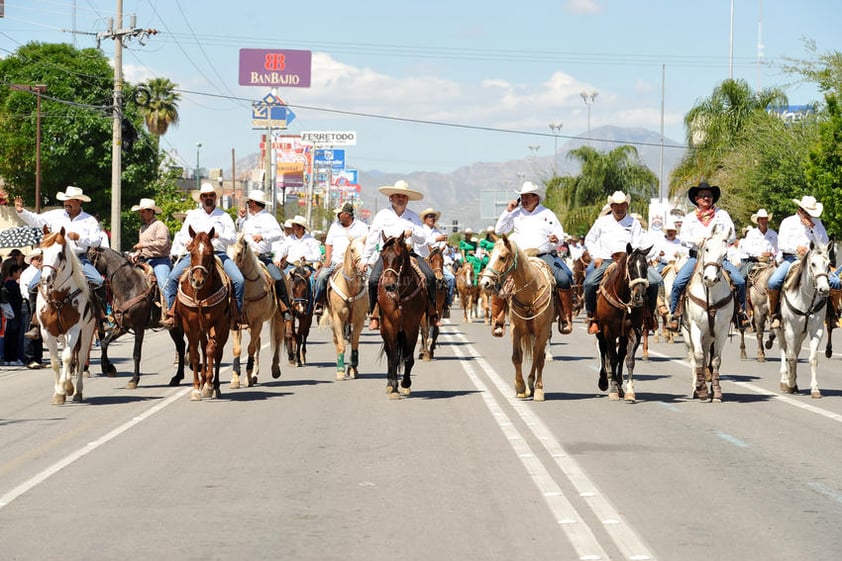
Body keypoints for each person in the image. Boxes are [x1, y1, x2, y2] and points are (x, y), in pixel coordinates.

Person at [667, 180, 750, 331]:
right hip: (696, 257)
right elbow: (684, 239)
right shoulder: (690, 218)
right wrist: (695, 242)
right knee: (679, 282)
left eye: (709, 195)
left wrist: (720, 239)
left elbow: (732, 235)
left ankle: (740, 313)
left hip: (718, 258)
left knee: (739, 281)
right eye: (703, 195)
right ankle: (675, 314)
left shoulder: (722, 215)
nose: (706, 198)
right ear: (696, 199)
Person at [494, 180, 574, 336]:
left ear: (536, 198)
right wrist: (508, 211)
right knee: (499, 279)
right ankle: (498, 318)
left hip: (543, 255)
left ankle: (565, 317)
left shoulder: (547, 214)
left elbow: (559, 234)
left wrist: (556, 239)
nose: (524, 200)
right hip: (520, 257)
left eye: (527, 196)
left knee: (564, 278)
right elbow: (499, 229)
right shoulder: (515, 214)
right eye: (522, 197)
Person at [13, 186, 107, 318]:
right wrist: (21, 211)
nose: (66, 203)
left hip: (79, 259)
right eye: (65, 200)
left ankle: (101, 317)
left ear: (79, 202)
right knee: (32, 286)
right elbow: (36, 220)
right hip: (55, 260)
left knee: (98, 282)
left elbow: (96, 241)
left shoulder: (89, 220)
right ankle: (34, 321)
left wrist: (80, 238)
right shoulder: (55, 214)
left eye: (70, 200)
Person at [160, 183, 244, 328]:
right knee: (173, 277)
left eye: (211, 195)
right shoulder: (193, 215)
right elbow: (181, 234)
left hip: (218, 254)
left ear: (215, 197)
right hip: (195, 255)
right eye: (205, 196)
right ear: (200, 198)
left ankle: (236, 313)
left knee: (239, 280)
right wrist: (186, 242)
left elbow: (232, 237)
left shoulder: (223, 216)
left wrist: (219, 235)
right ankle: (172, 312)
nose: (208, 198)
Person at [361, 179, 440, 330]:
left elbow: (423, 238)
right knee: (372, 281)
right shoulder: (382, 215)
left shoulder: (413, 217)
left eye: (404, 196)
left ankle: (432, 312)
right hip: (388, 256)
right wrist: (365, 259)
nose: (401, 199)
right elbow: (372, 238)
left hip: (408, 253)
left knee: (430, 276)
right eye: (398, 196)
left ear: (407, 199)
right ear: (391, 198)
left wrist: (413, 232)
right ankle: (374, 314)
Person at [583, 191, 661, 334]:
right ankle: (592, 316)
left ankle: (649, 315)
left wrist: (637, 257)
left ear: (627, 205)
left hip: (630, 261)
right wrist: (596, 257)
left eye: (622, 205)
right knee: (589, 283)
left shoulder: (634, 223)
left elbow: (638, 242)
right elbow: (590, 240)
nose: (619, 208)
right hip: (608, 260)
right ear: (611, 206)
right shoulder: (601, 222)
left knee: (655, 281)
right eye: (616, 205)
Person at [767, 196, 839, 329]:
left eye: (811, 213)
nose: (809, 215)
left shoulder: (817, 223)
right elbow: (782, 244)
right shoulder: (787, 222)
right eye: (806, 212)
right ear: (799, 210)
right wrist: (796, 249)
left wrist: (813, 227)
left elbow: (824, 243)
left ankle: (832, 314)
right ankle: (775, 314)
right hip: (792, 258)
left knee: (835, 282)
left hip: (815, 260)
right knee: (773, 282)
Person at [237, 189, 292, 319]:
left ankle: (285, 307)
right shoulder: (247, 219)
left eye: (249, 203)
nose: (247, 206)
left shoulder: (268, 218)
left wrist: (263, 236)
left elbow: (278, 234)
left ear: (254, 203)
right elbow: (239, 232)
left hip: (261, 256)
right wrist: (241, 218)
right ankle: (232, 306)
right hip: (245, 257)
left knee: (277, 277)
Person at [313, 202, 369, 312]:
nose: (338, 216)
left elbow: (367, 243)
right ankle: (320, 301)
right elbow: (328, 244)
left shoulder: (362, 227)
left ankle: (373, 307)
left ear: (347, 214)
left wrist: (365, 261)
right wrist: (328, 259)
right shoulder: (334, 226)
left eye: (340, 213)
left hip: (357, 262)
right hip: (336, 261)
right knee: (321, 277)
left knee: (372, 278)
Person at [128, 198, 172, 303]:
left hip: (160, 260)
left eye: (143, 211)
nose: (141, 214)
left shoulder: (160, 225)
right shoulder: (142, 228)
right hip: (144, 260)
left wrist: (143, 244)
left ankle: (171, 311)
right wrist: (137, 254)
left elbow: (163, 243)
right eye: (140, 212)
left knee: (164, 284)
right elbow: (141, 247)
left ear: (151, 211)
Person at [417, 207, 455, 319]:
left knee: (451, 278)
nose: (432, 218)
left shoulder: (438, 232)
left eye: (433, 217)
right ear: (424, 218)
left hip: (438, 263)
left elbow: (445, 250)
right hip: (423, 260)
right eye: (429, 216)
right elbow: (421, 243)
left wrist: (445, 246)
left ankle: (446, 305)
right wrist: (437, 240)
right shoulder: (420, 230)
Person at [739, 208, 778, 279]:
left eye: (765, 219)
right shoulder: (751, 233)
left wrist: (773, 256)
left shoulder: (773, 234)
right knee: (740, 279)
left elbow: (777, 250)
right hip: (754, 261)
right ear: (758, 220)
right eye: (761, 219)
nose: (764, 221)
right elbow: (746, 248)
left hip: (770, 262)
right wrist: (760, 254)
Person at [20, 249, 43, 367]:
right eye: (39, 259)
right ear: (33, 260)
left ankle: (38, 358)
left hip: (40, 304)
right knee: (30, 330)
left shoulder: (41, 272)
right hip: (30, 304)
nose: (40, 262)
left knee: (39, 331)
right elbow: (25, 291)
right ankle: (29, 359)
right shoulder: (28, 273)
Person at [3, 262, 23, 366]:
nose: (21, 273)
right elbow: (19, 299)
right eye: (19, 272)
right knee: (14, 335)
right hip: (15, 311)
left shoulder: (5, 283)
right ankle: (14, 358)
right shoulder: (15, 284)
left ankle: (7, 359)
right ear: (14, 272)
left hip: (7, 312)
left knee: (8, 335)